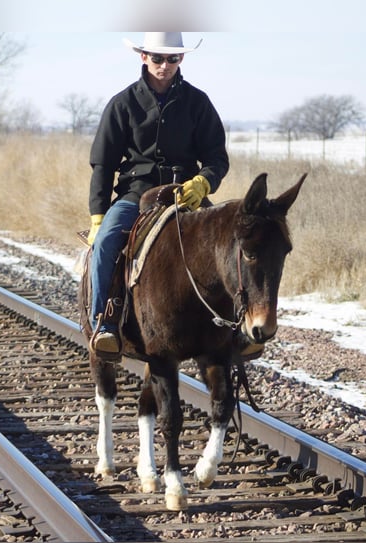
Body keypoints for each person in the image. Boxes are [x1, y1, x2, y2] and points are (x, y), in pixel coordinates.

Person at [87, 32, 230, 359]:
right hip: (135, 195)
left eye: (172, 59)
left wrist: (203, 183)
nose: (164, 66)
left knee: (231, 241)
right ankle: (105, 322)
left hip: (187, 196)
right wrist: (97, 216)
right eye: (157, 58)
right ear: (143, 57)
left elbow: (216, 158)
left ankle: (233, 329)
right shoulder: (122, 103)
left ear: (182, 59)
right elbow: (103, 164)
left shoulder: (198, 102)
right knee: (107, 240)